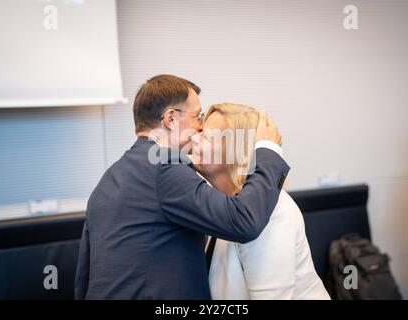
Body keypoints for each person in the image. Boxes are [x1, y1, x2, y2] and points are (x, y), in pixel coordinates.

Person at [74, 75, 290, 299]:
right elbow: (243, 221)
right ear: (171, 119)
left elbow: (84, 278)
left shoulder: (108, 179)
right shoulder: (164, 166)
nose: (199, 127)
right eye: (198, 116)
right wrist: (267, 151)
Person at [192, 103, 330, 299]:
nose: (193, 139)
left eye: (205, 136)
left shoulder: (271, 211)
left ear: (234, 151)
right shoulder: (228, 204)